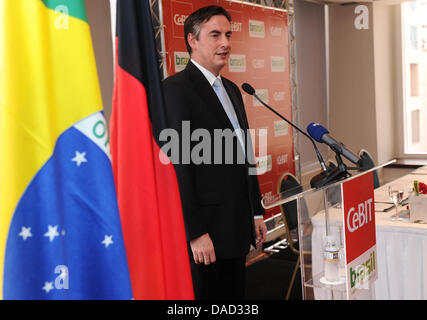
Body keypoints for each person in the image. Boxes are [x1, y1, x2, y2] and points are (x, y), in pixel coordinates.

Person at [162, 5, 267, 300]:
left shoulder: (233, 90)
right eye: (215, 35)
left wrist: (256, 211)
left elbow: (245, 157)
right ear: (192, 41)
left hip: (237, 227)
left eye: (228, 35)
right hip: (206, 235)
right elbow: (180, 168)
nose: (225, 43)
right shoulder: (176, 90)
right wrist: (195, 233)